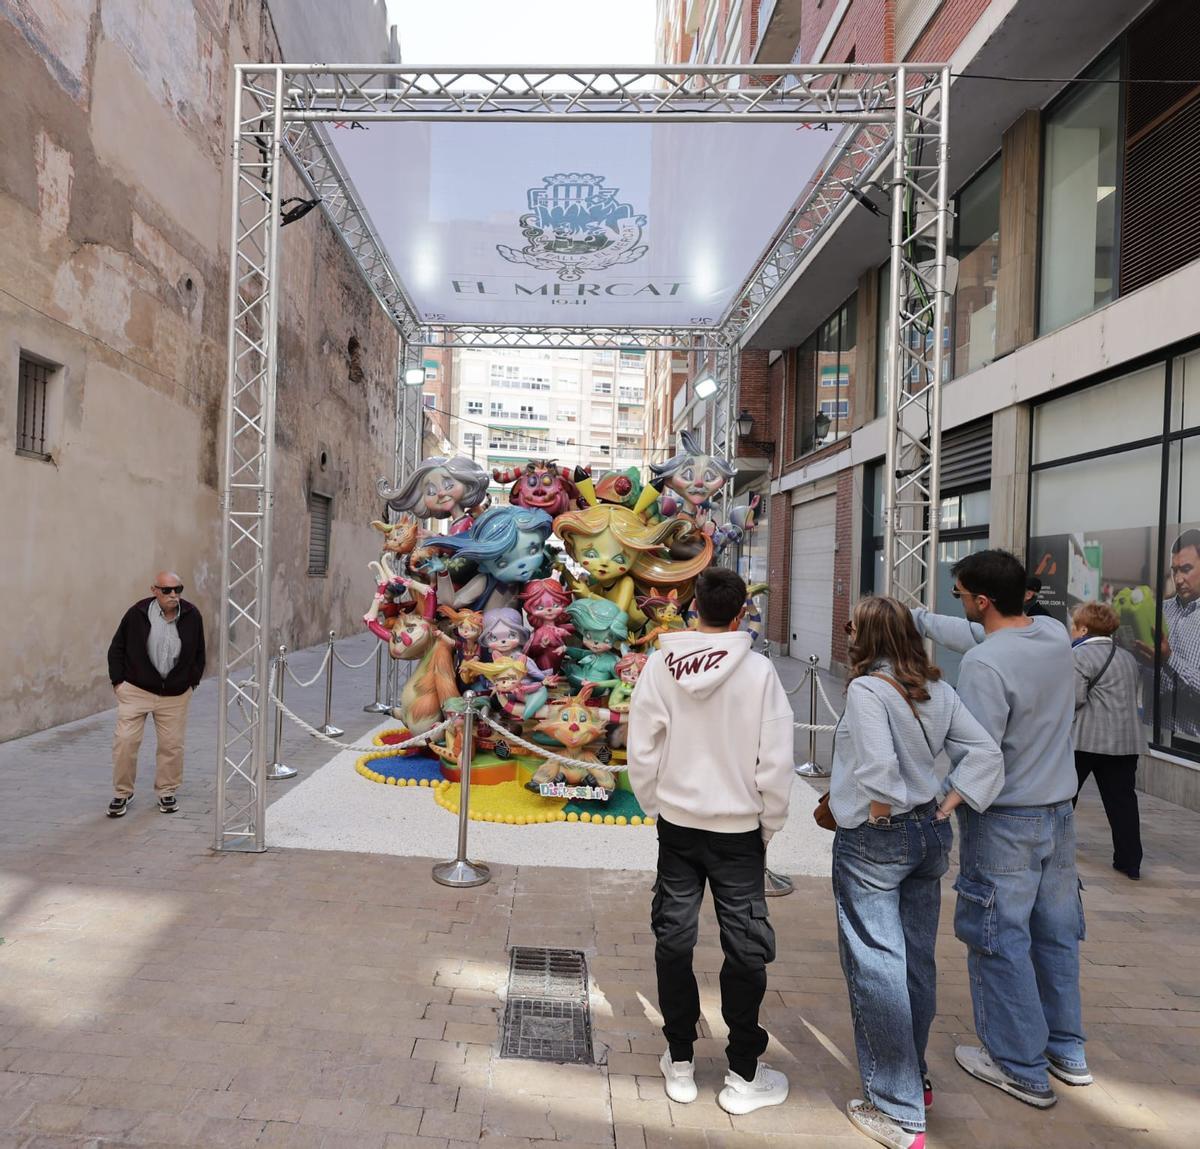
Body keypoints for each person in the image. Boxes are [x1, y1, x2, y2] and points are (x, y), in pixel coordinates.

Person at [912, 549, 1088, 1108]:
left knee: (998, 937)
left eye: (962, 596)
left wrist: (938, 804)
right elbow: (979, 636)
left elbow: (979, 755)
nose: (960, 605)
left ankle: (1019, 1065)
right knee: (1056, 930)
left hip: (1005, 817)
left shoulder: (987, 668)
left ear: (982, 601)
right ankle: (1067, 1050)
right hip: (1059, 812)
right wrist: (915, 618)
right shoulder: (1055, 635)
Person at [830, 597, 1004, 1149]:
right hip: (930, 833)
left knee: (876, 966)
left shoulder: (865, 690)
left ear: (870, 636)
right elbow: (985, 754)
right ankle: (915, 1078)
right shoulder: (939, 690)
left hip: (878, 838)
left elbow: (878, 768)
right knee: (915, 961)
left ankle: (898, 1110)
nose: (848, 632)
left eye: (853, 625)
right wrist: (948, 804)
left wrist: (880, 815)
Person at [627, 566, 794, 1116]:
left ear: (693, 605)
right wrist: (768, 822)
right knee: (744, 944)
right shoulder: (760, 673)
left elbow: (642, 746)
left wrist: (655, 803)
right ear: (742, 611)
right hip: (739, 830)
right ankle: (742, 1072)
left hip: (678, 824)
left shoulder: (660, 665)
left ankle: (679, 1060)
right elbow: (776, 760)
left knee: (673, 937)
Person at [106, 572, 206, 817]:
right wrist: (118, 682)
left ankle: (167, 791)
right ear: (154, 590)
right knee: (125, 742)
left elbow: (199, 652)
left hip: (174, 695)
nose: (174, 595)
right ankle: (122, 793)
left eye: (178, 589)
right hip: (136, 691)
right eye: (167, 590)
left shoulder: (192, 615)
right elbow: (116, 648)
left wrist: (191, 682)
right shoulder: (137, 613)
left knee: (172, 746)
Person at [1070, 602, 1144, 879]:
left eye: (1074, 625)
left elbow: (1074, 699)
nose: (1072, 630)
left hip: (1086, 740)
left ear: (1085, 629)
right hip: (1125, 742)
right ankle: (1130, 862)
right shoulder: (1126, 657)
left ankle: (1054, 850)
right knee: (1123, 802)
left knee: (1065, 796)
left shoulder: (1079, 656)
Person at [1140, 530, 1200, 754]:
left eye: (1186, 569)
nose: (1178, 579)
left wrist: (1169, 659)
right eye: (1174, 571)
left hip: (1191, 746)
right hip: (1151, 738)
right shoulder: (1159, 612)